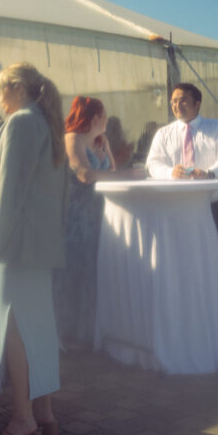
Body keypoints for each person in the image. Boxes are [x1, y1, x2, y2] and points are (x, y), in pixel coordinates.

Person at [0, 62, 67, 435]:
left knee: (15, 329)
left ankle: (22, 419)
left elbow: (7, 190)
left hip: (17, 243)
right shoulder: (42, 120)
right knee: (39, 325)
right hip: (38, 244)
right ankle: (44, 412)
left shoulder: (23, 122)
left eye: (0, 91)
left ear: (16, 89)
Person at [146, 82, 218, 351]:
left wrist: (210, 172)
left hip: (216, 209)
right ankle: (194, 331)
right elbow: (153, 163)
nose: (177, 105)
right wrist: (170, 173)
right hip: (179, 212)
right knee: (188, 270)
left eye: (183, 100)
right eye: (174, 101)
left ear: (198, 103)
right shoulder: (164, 134)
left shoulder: (217, 128)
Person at [53, 96, 144, 350]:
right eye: (103, 115)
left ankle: (86, 330)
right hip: (77, 213)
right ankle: (63, 329)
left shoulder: (100, 141)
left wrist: (105, 152)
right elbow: (85, 174)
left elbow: (112, 171)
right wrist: (124, 173)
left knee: (93, 268)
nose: (106, 120)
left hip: (99, 211)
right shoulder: (72, 139)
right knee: (72, 269)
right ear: (95, 117)